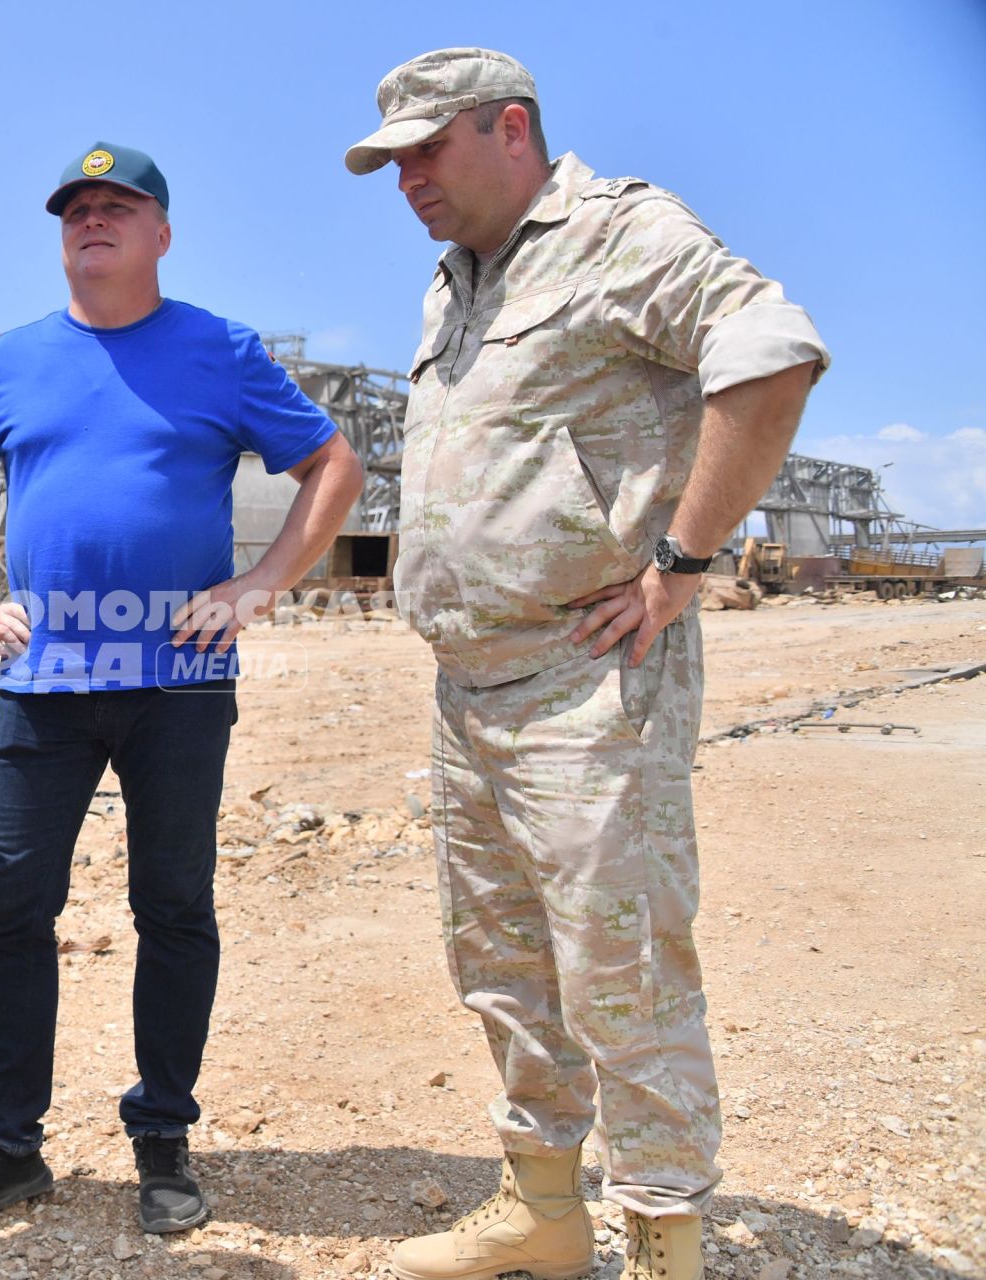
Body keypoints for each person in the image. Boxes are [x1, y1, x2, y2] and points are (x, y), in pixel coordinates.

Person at [342, 49, 828, 1280]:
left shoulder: (621, 234)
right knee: (502, 967)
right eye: (391, 161)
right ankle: (546, 1212)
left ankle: (666, 1239)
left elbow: (772, 353)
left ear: (513, 130)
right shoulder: (450, 282)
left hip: (587, 677)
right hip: (470, 686)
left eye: (427, 151)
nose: (407, 180)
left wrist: (683, 557)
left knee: (623, 971)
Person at [0, 141, 364, 1240]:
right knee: (10, 909)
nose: (92, 222)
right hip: (45, 681)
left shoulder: (222, 349)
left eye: (118, 207)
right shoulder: (16, 360)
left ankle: (162, 1136)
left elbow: (332, 465)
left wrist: (260, 584)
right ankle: (7, 1145)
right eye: (76, 210)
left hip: (181, 685)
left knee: (173, 906)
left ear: (161, 232)